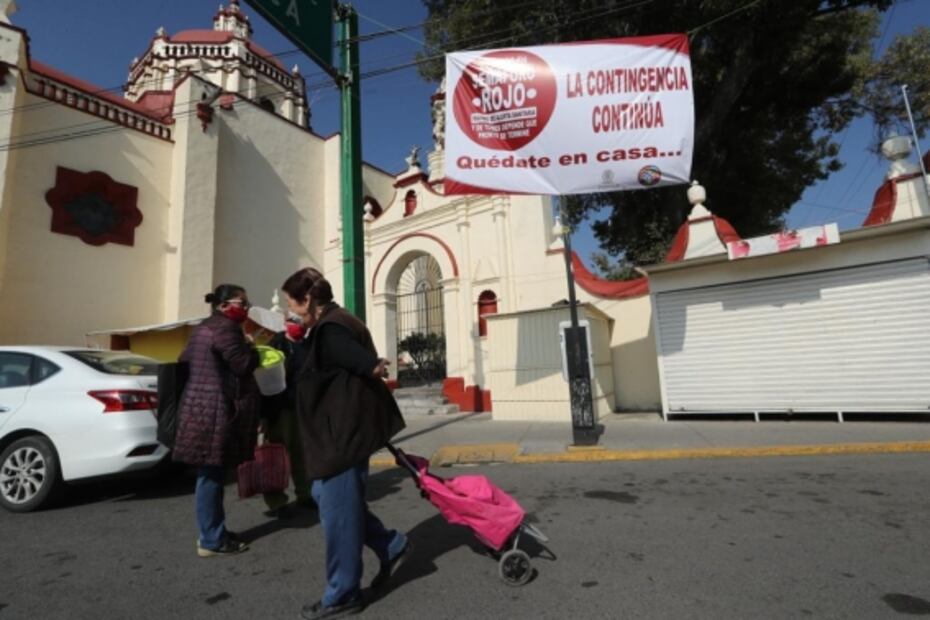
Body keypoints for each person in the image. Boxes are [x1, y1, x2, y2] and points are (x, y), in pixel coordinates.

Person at [282, 267, 409, 620]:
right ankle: (390, 544)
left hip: (340, 436)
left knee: (338, 515)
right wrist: (298, 342)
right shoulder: (327, 327)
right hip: (339, 432)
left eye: (292, 302)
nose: (290, 310)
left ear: (307, 299)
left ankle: (343, 593)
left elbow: (358, 361)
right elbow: (325, 366)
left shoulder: (333, 329)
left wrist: (374, 366)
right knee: (330, 500)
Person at [173, 284, 261, 557]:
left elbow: (184, 359)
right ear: (224, 306)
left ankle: (213, 531)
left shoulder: (204, 328)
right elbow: (243, 365)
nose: (245, 308)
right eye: (241, 303)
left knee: (210, 473)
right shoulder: (226, 329)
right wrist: (252, 348)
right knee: (211, 475)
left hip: (200, 406)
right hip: (216, 410)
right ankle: (211, 539)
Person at [260, 316, 313, 517]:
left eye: (301, 321)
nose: (298, 325)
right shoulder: (276, 344)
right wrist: (263, 415)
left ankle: (305, 494)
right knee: (276, 457)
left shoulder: (308, 346)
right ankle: (276, 501)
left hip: (302, 408)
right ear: (285, 322)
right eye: (293, 320)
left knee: (301, 455)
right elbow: (264, 381)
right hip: (279, 409)